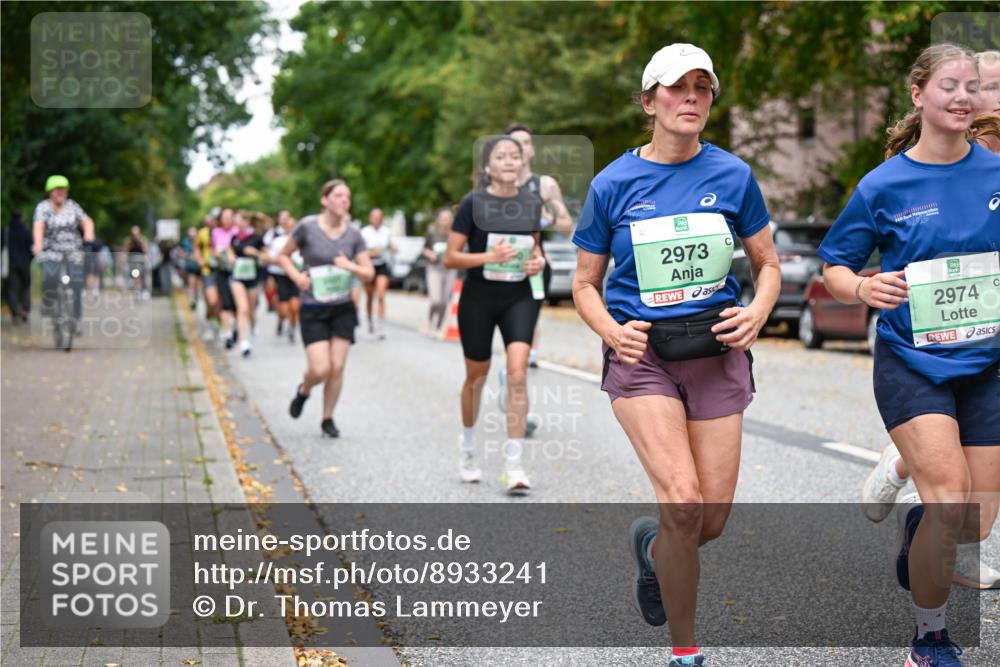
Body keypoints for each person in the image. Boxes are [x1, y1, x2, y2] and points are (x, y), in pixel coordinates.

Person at [572, 44, 780, 667]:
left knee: (707, 521)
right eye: (676, 86)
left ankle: (653, 551)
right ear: (649, 101)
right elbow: (584, 285)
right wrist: (613, 332)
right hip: (643, 358)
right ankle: (685, 652)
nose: (691, 97)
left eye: (702, 87)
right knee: (684, 502)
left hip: (716, 352)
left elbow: (768, 265)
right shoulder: (613, 184)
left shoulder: (733, 175)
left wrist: (757, 311)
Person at [820, 43, 999, 667]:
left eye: (972, 86)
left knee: (973, 523)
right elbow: (835, 267)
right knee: (949, 499)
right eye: (949, 85)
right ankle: (929, 640)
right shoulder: (884, 185)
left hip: (989, 364)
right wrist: (864, 289)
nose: (963, 97)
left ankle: (916, 510)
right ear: (918, 94)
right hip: (912, 363)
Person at [861, 108, 1000, 594]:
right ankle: (916, 486)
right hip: (920, 353)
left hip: (987, 351)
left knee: (975, 520)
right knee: (948, 491)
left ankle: (918, 499)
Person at [444, 135, 545, 494]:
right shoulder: (473, 203)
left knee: (517, 374)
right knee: (476, 376)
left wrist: (537, 263)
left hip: (519, 296)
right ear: (488, 165)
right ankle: (468, 448)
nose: (508, 162)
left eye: (514, 156)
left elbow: (536, 250)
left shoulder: (531, 202)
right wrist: (490, 257)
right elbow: (450, 257)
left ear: (522, 162)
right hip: (479, 298)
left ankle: (514, 465)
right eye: (501, 156)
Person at [279, 180, 374, 438]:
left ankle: (327, 417)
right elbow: (283, 255)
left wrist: (349, 266)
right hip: (313, 306)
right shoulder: (307, 227)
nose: (344, 200)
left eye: (348, 196)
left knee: (337, 367)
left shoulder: (354, 234)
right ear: (325, 200)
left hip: (342, 307)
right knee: (320, 368)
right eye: (339, 195)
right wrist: (297, 277)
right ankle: (304, 390)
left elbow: (368, 273)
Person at [505, 123, 574, 368]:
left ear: (532, 149)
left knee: (527, 315)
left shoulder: (545, 185)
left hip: (536, 264)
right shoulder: (494, 184)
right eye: (514, 143)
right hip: (503, 263)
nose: (520, 148)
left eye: (525, 142)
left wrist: (547, 217)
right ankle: (517, 357)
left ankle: (525, 357)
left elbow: (567, 226)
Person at [32, 175, 95, 327]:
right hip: (51, 251)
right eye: (57, 189)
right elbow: (39, 226)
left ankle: (76, 318)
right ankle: (48, 303)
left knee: (77, 283)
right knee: (50, 277)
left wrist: (88, 235)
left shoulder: (72, 206)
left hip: (73, 251)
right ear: (50, 192)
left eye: (63, 189)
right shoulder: (43, 208)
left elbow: (87, 221)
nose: (61, 192)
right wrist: (38, 244)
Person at [228, 211, 266, 357]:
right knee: (242, 308)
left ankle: (253, 327)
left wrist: (255, 253)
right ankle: (244, 343)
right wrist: (231, 257)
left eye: (239, 220)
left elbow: (266, 257)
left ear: (247, 222)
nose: (237, 223)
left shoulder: (257, 238)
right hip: (237, 276)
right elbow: (230, 251)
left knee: (250, 310)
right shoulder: (234, 238)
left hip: (253, 277)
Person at [264, 210, 302, 343]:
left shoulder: (302, 240)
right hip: (280, 275)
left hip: (296, 275)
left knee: (295, 306)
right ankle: (281, 319)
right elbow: (268, 258)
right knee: (284, 308)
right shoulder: (277, 239)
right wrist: (283, 262)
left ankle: (292, 327)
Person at [421, 206, 458, 335]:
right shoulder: (432, 232)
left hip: (450, 269)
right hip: (434, 268)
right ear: (438, 219)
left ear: (452, 220)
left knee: (444, 301)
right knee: (436, 300)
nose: (445, 221)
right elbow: (424, 249)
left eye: (448, 218)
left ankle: (438, 326)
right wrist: (430, 254)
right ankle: (430, 320)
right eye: (443, 218)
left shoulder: (455, 234)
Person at [360, 207, 395, 338]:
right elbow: (360, 251)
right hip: (369, 265)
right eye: (374, 217)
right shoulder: (364, 232)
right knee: (370, 296)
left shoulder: (386, 232)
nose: (376, 219)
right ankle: (370, 320)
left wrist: (393, 248)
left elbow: (389, 245)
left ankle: (380, 325)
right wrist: (371, 253)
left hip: (382, 265)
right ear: (370, 218)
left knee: (381, 294)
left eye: (378, 217)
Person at [211, 207, 239, 347]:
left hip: (237, 272)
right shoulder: (215, 232)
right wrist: (217, 254)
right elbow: (212, 249)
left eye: (230, 217)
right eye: (225, 217)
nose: (227, 220)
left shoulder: (237, 231)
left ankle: (235, 327)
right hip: (221, 270)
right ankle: (228, 333)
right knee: (224, 302)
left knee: (235, 304)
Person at [194, 213, 221, 342]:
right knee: (211, 301)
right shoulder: (202, 233)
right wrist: (199, 259)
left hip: (222, 270)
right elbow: (197, 248)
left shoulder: (222, 232)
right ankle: (210, 324)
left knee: (220, 302)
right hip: (207, 270)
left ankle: (220, 325)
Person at [3, 211, 33, 323]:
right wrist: (29, 259)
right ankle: (25, 310)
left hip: (10, 264)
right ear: (21, 217)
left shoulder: (5, 230)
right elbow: (32, 247)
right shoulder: (26, 230)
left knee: (12, 289)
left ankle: (15, 312)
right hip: (25, 263)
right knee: (26, 287)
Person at [124, 225, 149, 298]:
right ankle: (137, 290)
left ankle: (143, 290)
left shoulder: (142, 239)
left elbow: (145, 250)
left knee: (142, 276)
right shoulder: (129, 240)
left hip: (141, 261)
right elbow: (126, 250)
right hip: (132, 261)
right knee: (135, 276)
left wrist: (141, 243)